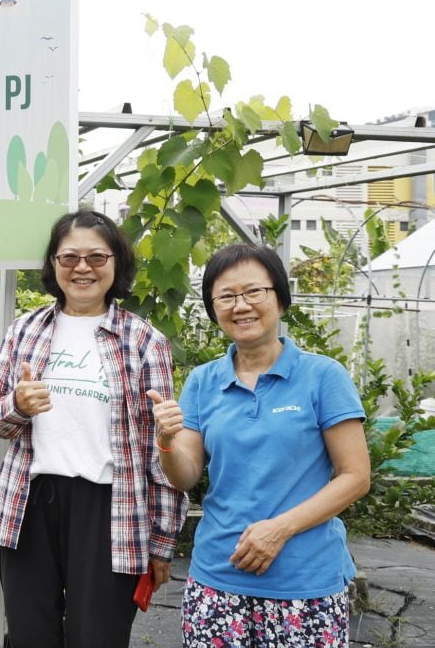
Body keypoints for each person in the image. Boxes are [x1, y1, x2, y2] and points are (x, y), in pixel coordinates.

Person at [0, 209, 188, 647]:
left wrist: (163, 540)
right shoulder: (26, 330)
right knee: (32, 635)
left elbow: (158, 447)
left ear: (116, 263)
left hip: (111, 508)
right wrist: (16, 405)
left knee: (99, 637)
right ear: (54, 265)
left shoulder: (144, 341)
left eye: (96, 257)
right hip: (28, 504)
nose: (83, 268)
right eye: (69, 257)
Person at [150, 243, 370, 647]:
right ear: (214, 308)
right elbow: (185, 476)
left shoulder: (323, 376)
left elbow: (355, 477)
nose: (241, 306)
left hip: (305, 583)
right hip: (218, 576)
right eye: (227, 296)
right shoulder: (203, 381)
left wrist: (279, 529)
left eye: (254, 292)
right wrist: (165, 442)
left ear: (280, 298)